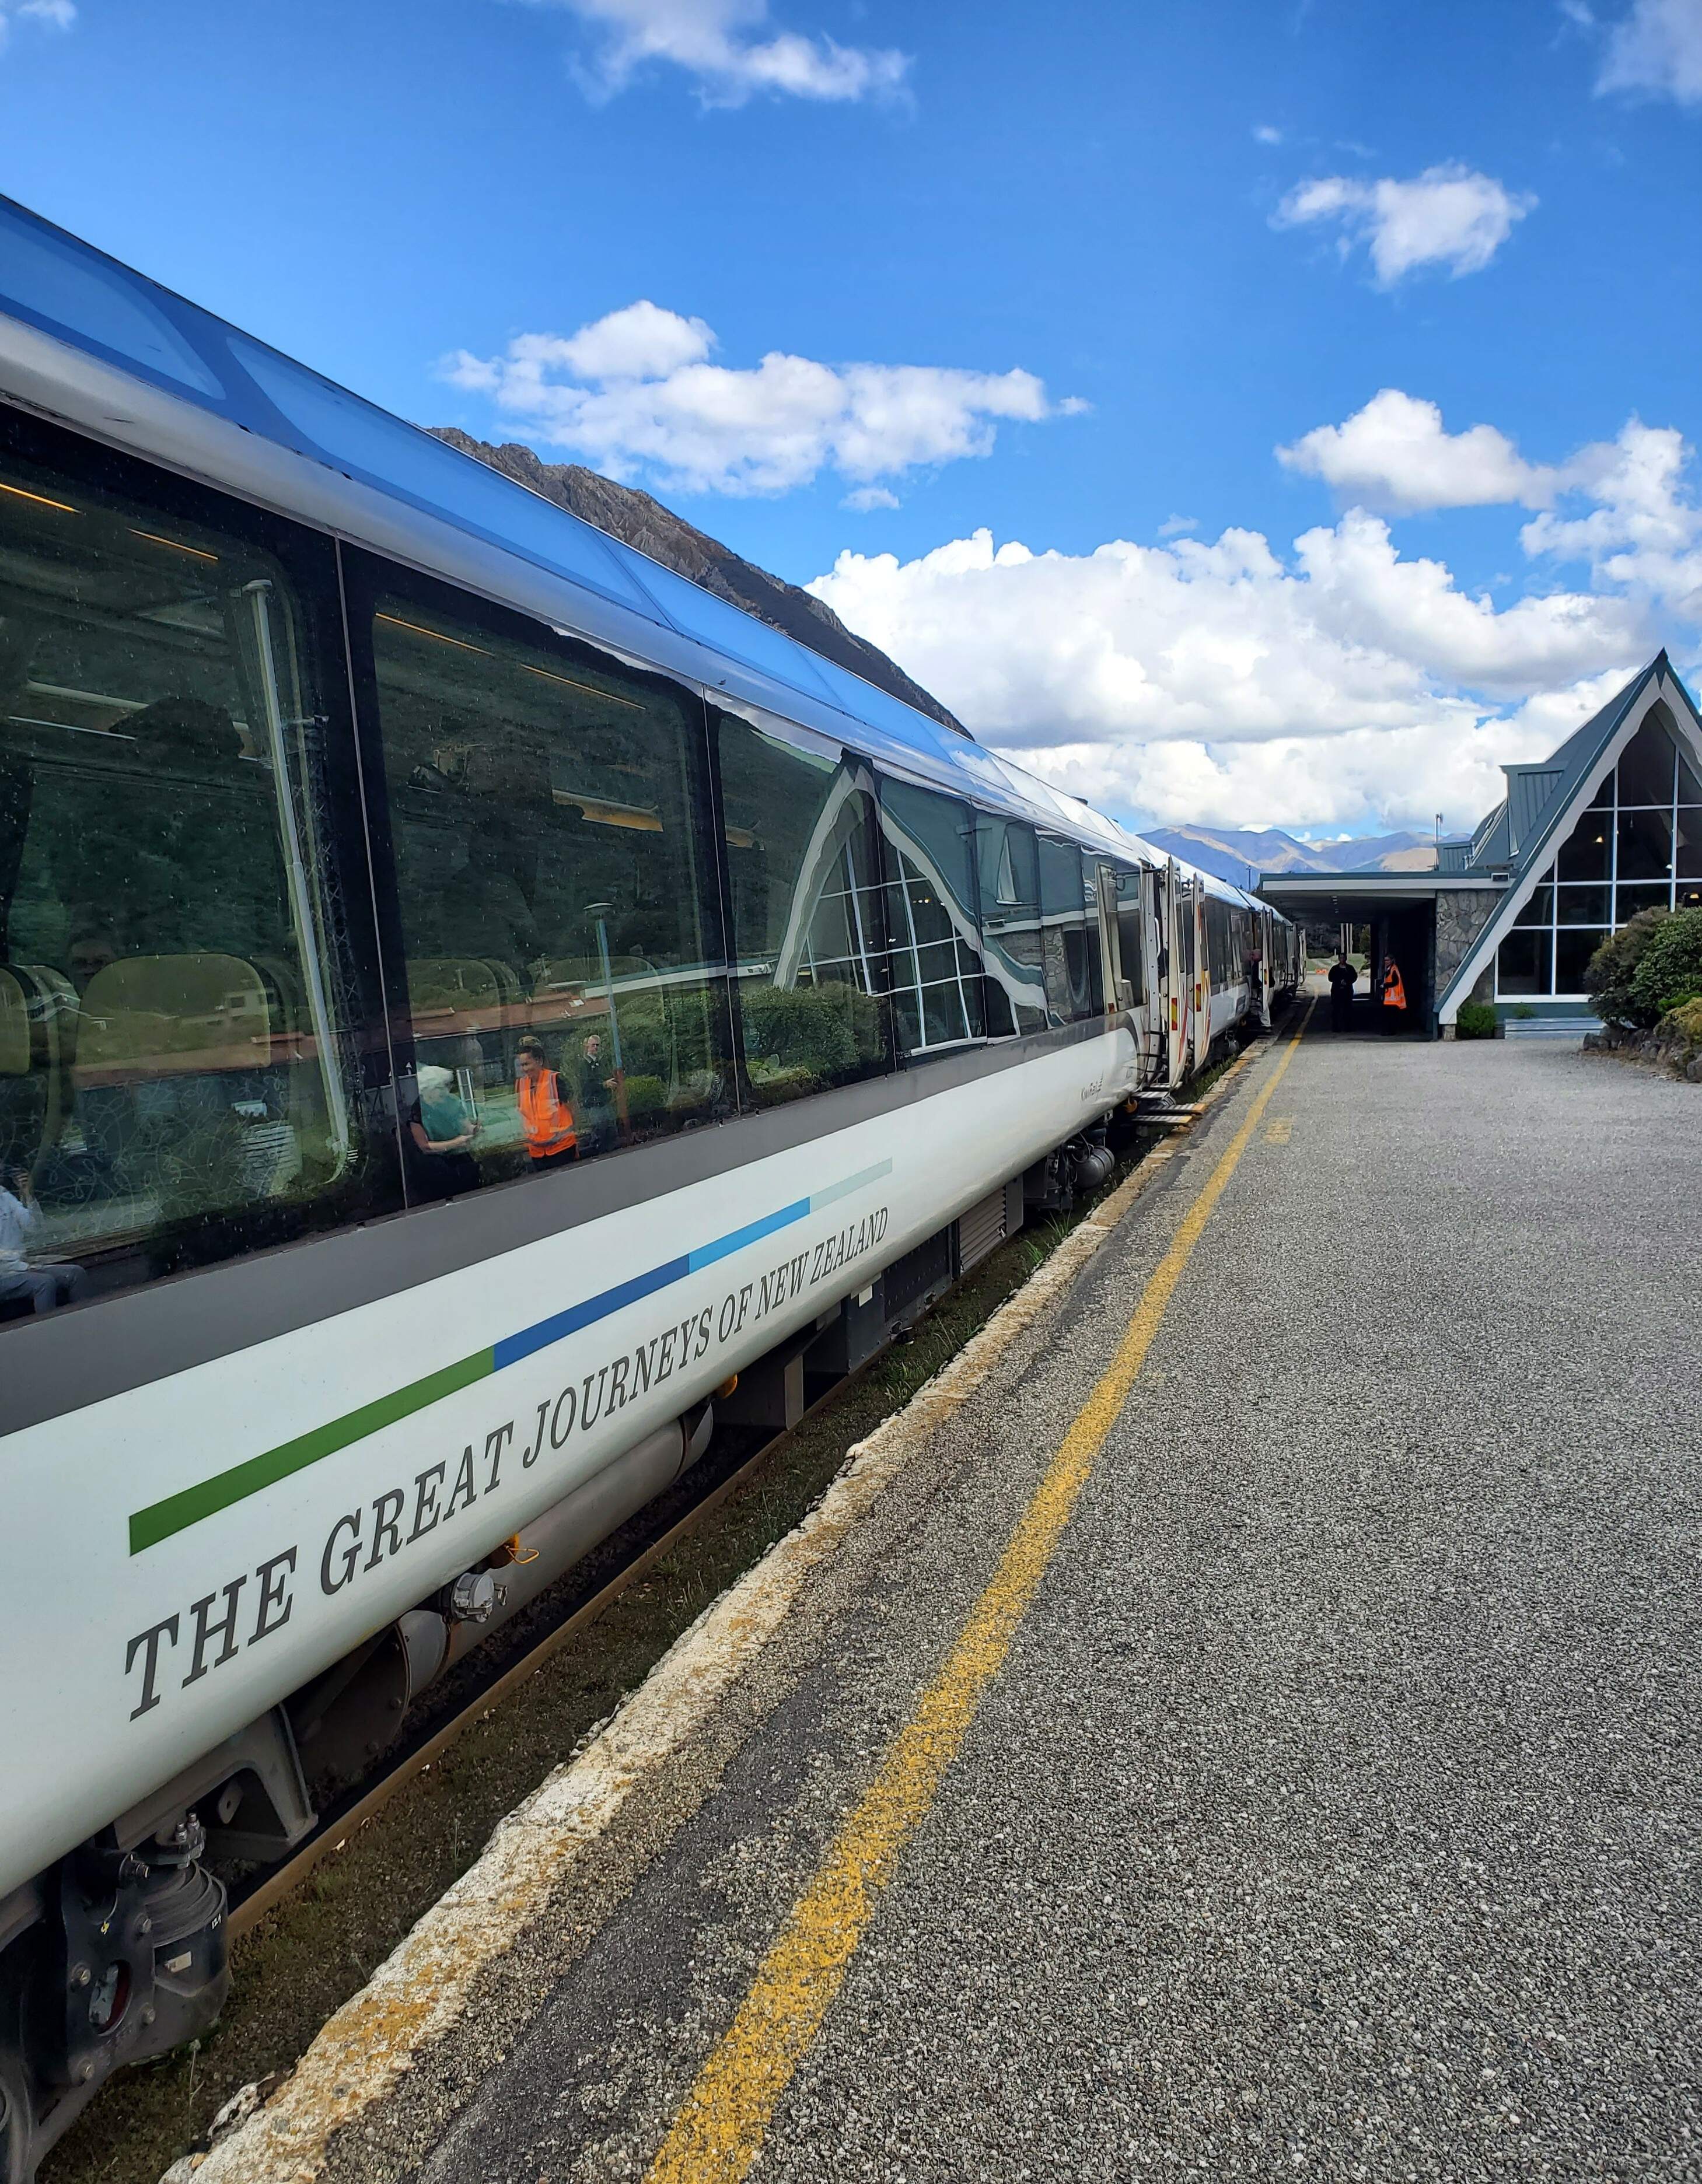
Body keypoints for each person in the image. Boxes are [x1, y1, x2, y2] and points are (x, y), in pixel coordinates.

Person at [0, 1163, 88, 1314]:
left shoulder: (4, 1197)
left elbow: (33, 1226)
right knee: (45, 1283)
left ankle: (87, 1326)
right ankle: (49, 1334)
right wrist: (23, 1265)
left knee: (75, 1273)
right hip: (5, 1274)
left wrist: (28, 1194)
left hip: (21, 1266)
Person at [407, 1063, 480, 1198]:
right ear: (428, 1089)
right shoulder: (417, 1110)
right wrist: (455, 1143)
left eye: (448, 1086)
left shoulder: (452, 1101)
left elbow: (465, 1125)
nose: (446, 1091)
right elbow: (424, 1147)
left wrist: (474, 1130)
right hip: (435, 1167)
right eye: (442, 1088)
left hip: (462, 1159)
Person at [515, 1035, 578, 1170]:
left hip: (562, 1148)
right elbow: (523, 1115)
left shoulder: (556, 1080)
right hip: (537, 1153)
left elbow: (573, 1108)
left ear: (539, 1061)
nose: (524, 1069)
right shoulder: (521, 1085)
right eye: (522, 1065)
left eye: (527, 1064)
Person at [1327, 952, 1358, 1032]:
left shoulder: (1350, 968)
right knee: (1336, 1010)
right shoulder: (1335, 969)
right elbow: (1330, 978)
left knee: (1347, 1010)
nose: (1342, 959)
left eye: (1343, 958)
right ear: (1339, 959)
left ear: (1346, 959)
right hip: (1336, 992)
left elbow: (1354, 977)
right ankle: (1336, 1027)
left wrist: (1347, 982)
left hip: (1347, 992)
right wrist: (1338, 981)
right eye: (1341, 958)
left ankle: (1348, 1027)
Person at [1379, 955, 1408, 1033]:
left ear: (1392, 960)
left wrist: (1385, 985)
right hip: (1389, 997)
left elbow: (1395, 982)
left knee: (1391, 1016)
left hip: (1393, 997)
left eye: (1387, 960)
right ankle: (1389, 1030)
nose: (1386, 962)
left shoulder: (1394, 969)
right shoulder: (1389, 969)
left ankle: (1391, 1031)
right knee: (1389, 1015)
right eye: (1385, 960)